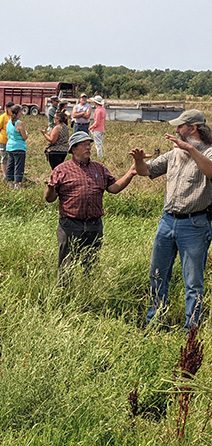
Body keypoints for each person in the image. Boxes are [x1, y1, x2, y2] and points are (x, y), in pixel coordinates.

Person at [130, 109, 212, 328]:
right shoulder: (173, 154)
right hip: (168, 221)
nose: (176, 131)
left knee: (193, 282)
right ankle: (154, 322)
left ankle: (191, 331)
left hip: (195, 225)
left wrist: (189, 149)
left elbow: (210, 171)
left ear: (193, 128)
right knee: (157, 275)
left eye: (180, 127)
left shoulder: (209, 152)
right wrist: (139, 161)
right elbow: (146, 171)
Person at [45, 131, 136, 273]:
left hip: (94, 225)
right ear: (74, 149)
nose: (88, 147)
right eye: (84, 145)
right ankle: (65, 293)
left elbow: (113, 188)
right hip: (70, 225)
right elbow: (50, 199)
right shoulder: (61, 170)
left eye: (89, 144)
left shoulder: (99, 168)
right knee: (67, 267)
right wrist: (50, 189)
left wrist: (130, 173)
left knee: (91, 265)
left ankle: (88, 292)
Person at [6, 104, 28, 188]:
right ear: (18, 112)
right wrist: (26, 134)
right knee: (19, 166)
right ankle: (17, 184)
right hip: (19, 146)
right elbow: (24, 137)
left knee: (11, 164)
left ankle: (9, 182)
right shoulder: (19, 123)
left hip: (10, 146)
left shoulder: (8, 122)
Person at [0, 101, 14, 179]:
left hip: (11, 141)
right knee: (4, 157)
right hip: (3, 140)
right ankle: (5, 175)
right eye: (11, 109)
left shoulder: (13, 117)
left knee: (11, 157)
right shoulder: (3, 117)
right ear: (7, 109)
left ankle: (10, 173)